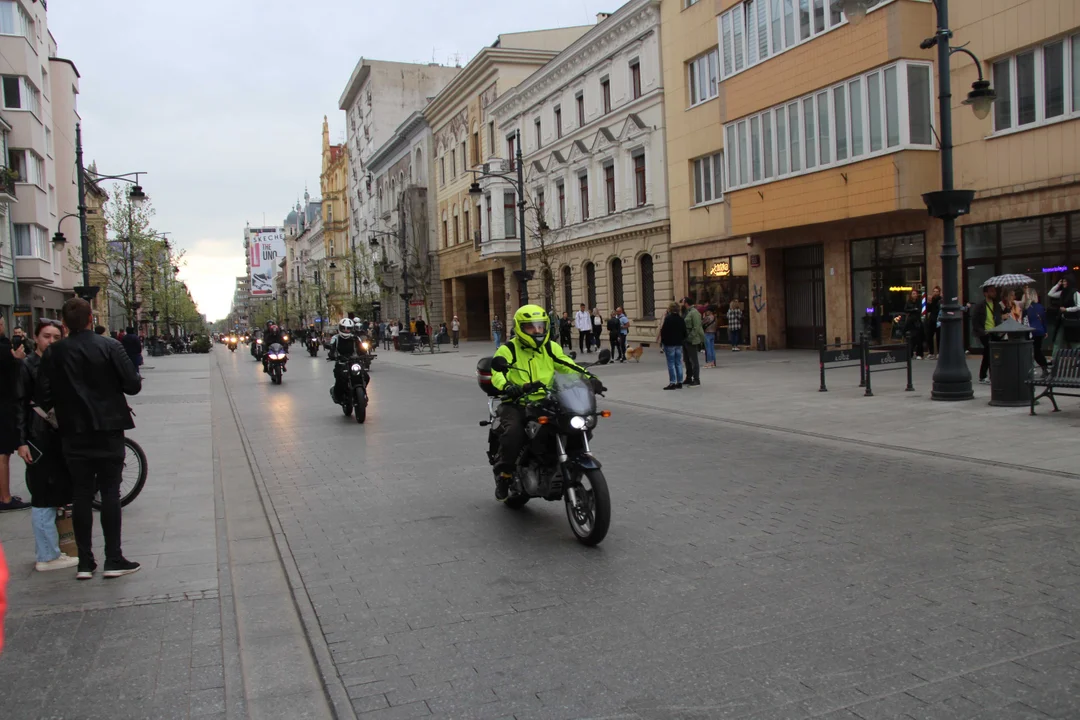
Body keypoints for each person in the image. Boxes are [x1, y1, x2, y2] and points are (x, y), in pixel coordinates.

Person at [37, 298, 142, 579]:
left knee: (81, 493)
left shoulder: (54, 353)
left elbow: (43, 395)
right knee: (109, 492)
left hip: (72, 433)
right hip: (108, 429)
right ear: (90, 319)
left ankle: (84, 562)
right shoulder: (109, 346)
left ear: (64, 322)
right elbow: (133, 384)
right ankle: (113, 559)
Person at [488, 305, 603, 502]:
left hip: (547, 399)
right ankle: (505, 476)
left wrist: (590, 378)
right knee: (514, 432)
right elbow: (496, 372)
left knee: (575, 422)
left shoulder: (550, 347)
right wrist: (508, 386)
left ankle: (563, 460)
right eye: (531, 327)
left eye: (540, 327)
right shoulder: (509, 349)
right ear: (520, 328)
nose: (537, 331)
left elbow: (568, 365)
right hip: (517, 401)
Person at [14, 320, 77, 571]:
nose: (51, 341)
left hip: (55, 436)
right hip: (37, 438)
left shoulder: (57, 364)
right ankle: (47, 556)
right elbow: (18, 405)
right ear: (36, 338)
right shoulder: (27, 366)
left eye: (56, 337)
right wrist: (21, 442)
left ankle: (54, 549)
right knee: (42, 495)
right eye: (46, 336)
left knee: (54, 493)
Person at [0, 315, 29, 512]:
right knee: (3, 454)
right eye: (2, 323)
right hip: (3, 405)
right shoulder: (3, 350)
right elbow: (13, 378)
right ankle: (5, 498)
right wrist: (17, 360)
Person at [328, 318, 369, 400]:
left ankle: (362, 394)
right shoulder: (336, 338)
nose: (346, 330)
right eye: (344, 328)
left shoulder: (355, 338)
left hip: (354, 361)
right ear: (340, 328)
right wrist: (332, 355)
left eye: (348, 329)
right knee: (340, 379)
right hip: (341, 363)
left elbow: (362, 349)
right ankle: (339, 396)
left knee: (366, 376)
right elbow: (332, 350)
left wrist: (365, 354)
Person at [971, 286, 1001, 384]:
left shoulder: (997, 305)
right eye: (991, 291)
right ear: (985, 293)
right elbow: (975, 321)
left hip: (994, 332)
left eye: (994, 291)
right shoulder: (980, 305)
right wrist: (982, 331)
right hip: (985, 333)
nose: (994, 293)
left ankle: (992, 376)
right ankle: (983, 376)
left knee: (992, 354)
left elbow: (998, 317)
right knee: (988, 352)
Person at [658, 303, 687, 390]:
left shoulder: (668, 319)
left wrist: (662, 342)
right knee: (678, 362)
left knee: (671, 363)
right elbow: (684, 332)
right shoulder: (681, 319)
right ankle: (680, 382)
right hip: (678, 343)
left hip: (669, 343)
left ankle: (672, 382)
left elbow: (664, 331)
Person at [1048, 274, 1080, 352]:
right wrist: (1058, 284)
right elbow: (1050, 294)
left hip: (1072, 321)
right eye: (1063, 281)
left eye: (1065, 281)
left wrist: (1067, 309)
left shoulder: (1075, 293)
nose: (1063, 283)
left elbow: (1079, 306)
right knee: (1057, 341)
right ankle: (1055, 360)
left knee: (1074, 343)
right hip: (1062, 321)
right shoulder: (1062, 292)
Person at [1024, 288, 1049, 376]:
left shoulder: (1026, 308)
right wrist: (1045, 331)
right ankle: (1044, 367)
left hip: (1030, 331)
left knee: (1033, 351)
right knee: (1037, 350)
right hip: (1040, 331)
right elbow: (1044, 320)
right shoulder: (1040, 306)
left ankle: (1043, 366)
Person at [680, 298, 703, 386]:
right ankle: (688, 377)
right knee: (686, 360)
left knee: (693, 360)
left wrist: (690, 337)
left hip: (691, 340)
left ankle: (696, 379)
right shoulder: (686, 312)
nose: (681, 304)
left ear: (686, 303)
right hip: (685, 340)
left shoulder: (694, 312)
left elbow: (696, 327)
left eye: (682, 302)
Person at [903, 289, 925, 360]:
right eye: (913, 294)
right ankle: (910, 353)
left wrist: (913, 309)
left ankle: (919, 354)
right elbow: (905, 309)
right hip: (910, 322)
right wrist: (913, 309)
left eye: (915, 293)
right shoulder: (908, 302)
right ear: (911, 295)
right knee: (911, 338)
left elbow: (919, 310)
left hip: (917, 321)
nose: (914, 295)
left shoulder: (919, 302)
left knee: (919, 338)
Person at [926, 286, 942, 358]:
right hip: (932, 319)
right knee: (929, 336)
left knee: (939, 337)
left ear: (939, 292)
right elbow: (928, 310)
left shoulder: (941, 300)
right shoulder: (931, 300)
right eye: (934, 291)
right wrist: (929, 303)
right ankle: (931, 352)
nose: (935, 293)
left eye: (937, 291)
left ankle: (939, 352)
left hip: (938, 320)